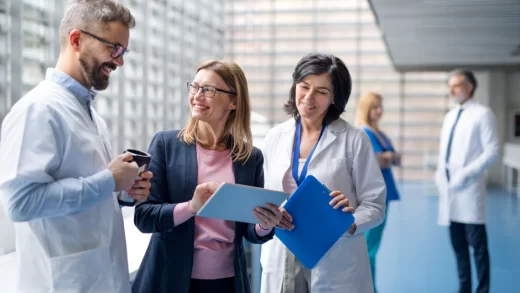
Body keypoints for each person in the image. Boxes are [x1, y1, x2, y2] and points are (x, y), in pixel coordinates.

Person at [0, 1, 152, 292]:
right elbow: (20, 204)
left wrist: (124, 192)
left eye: (124, 52)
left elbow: (90, 193)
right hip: (60, 283)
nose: (119, 61)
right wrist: (108, 181)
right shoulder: (37, 110)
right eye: (114, 48)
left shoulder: (93, 116)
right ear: (76, 40)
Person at [131, 60, 283, 293]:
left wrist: (265, 224)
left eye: (209, 90)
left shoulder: (250, 158)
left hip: (228, 284)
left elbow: (250, 232)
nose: (197, 96)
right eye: (195, 87)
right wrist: (191, 206)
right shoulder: (166, 144)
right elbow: (144, 218)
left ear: (234, 102)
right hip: (169, 280)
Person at [259, 53, 387, 293]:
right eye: (304, 86)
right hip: (283, 248)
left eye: (321, 91)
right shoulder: (275, 136)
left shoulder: (354, 139)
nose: (308, 97)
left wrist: (350, 223)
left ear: (335, 98)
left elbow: (376, 204)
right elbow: (263, 193)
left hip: (334, 250)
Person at [435, 70, 498, 293]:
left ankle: (482, 290)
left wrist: (465, 174)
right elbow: (445, 152)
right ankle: (464, 289)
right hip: (450, 192)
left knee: (478, 249)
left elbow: (492, 152)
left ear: (470, 86)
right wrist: (440, 177)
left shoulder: (483, 114)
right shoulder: (451, 116)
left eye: (457, 85)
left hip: (469, 191)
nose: (452, 90)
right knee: (458, 248)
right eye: (450, 86)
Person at [355, 92, 401, 293]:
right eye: (375, 107)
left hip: (384, 195)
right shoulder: (365, 132)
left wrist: (387, 157)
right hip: (373, 196)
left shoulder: (379, 133)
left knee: (372, 245)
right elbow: (376, 160)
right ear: (366, 109)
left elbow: (394, 158)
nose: (379, 111)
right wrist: (387, 157)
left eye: (380, 106)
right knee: (369, 248)